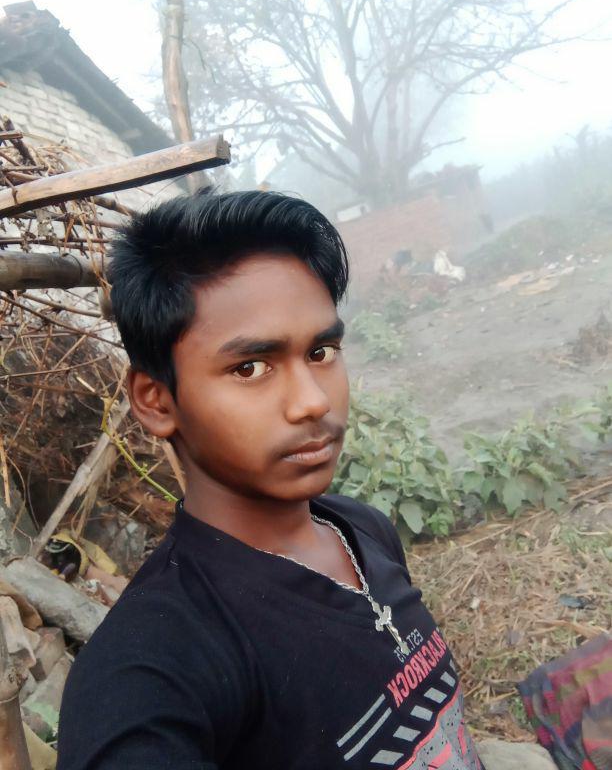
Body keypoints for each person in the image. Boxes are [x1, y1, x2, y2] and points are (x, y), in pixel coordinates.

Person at [57, 191, 483, 770]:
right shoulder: (148, 673)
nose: (313, 402)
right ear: (156, 400)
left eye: (322, 351)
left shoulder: (363, 530)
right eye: (250, 367)